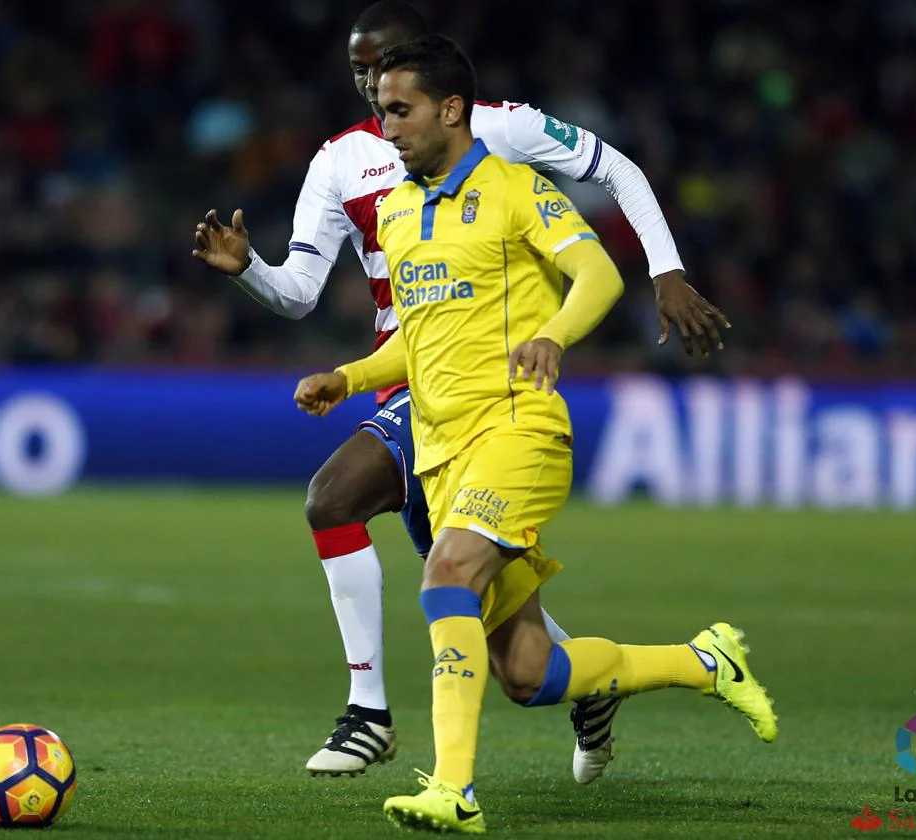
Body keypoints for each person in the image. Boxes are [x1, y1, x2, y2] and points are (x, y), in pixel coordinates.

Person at [192, 0, 730, 781]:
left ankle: (373, 718)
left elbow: (614, 168)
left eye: (379, 66)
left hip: (474, 384)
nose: (367, 83)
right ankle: (590, 683)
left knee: (334, 499)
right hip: (405, 375)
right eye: (357, 71)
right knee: (506, 634)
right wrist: (251, 274)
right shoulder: (340, 160)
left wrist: (666, 269)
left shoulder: (494, 131)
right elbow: (301, 291)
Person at [292, 35, 777, 835]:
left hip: (517, 431)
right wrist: (349, 376)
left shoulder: (517, 188)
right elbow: (418, 336)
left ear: (450, 110)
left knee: (445, 575)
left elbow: (598, 274)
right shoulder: (401, 215)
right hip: (444, 451)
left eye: (400, 111)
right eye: (381, 114)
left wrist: (553, 333)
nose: (386, 129)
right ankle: (705, 661)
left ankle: (452, 788)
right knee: (527, 673)